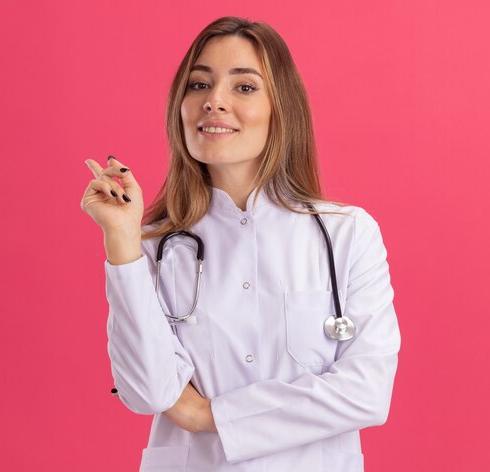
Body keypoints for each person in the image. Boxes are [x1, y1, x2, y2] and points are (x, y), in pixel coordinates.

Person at [80, 16, 400, 472]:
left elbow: (367, 393)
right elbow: (147, 392)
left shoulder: (347, 234)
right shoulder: (151, 246)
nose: (214, 101)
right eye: (198, 85)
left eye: (244, 87)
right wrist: (121, 239)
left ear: (281, 107)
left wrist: (207, 415)